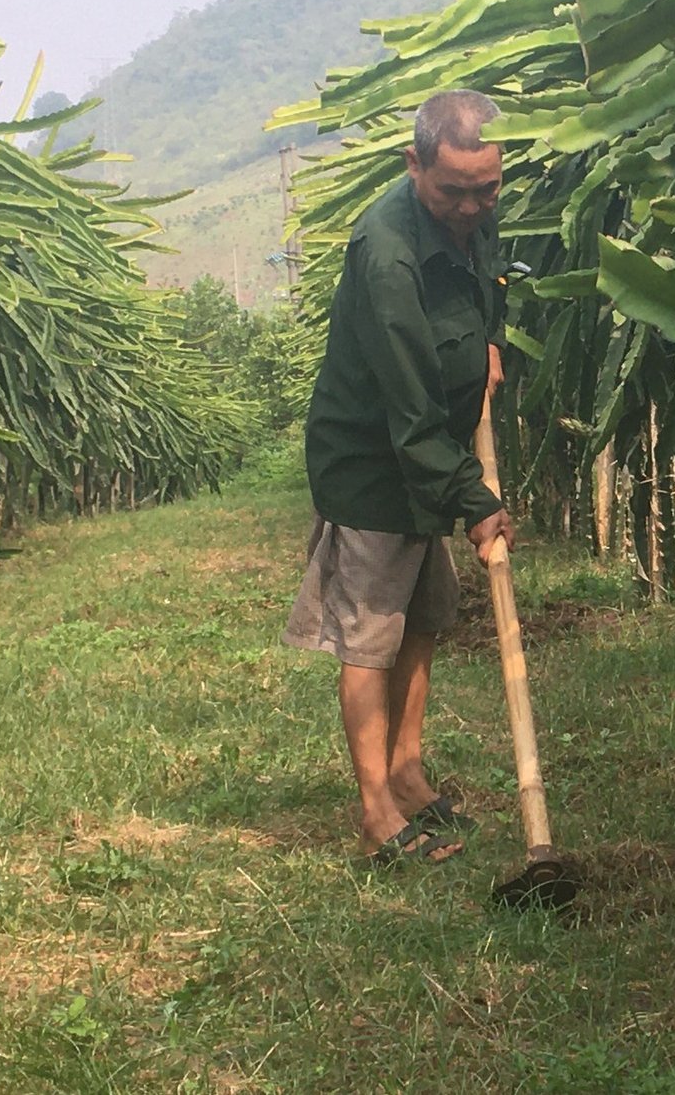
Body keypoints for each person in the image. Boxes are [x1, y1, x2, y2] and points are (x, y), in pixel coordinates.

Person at [282, 89, 514, 865]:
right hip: (375, 461)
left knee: (428, 611)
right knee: (371, 634)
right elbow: (408, 411)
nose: (471, 207)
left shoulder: (473, 213)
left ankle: (409, 771)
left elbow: (481, 290)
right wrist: (478, 505)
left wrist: (487, 342)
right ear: (413, 165)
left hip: (427, 454)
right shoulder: (385, 251)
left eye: (487, 188)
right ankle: (376, 810)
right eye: (452, 190)